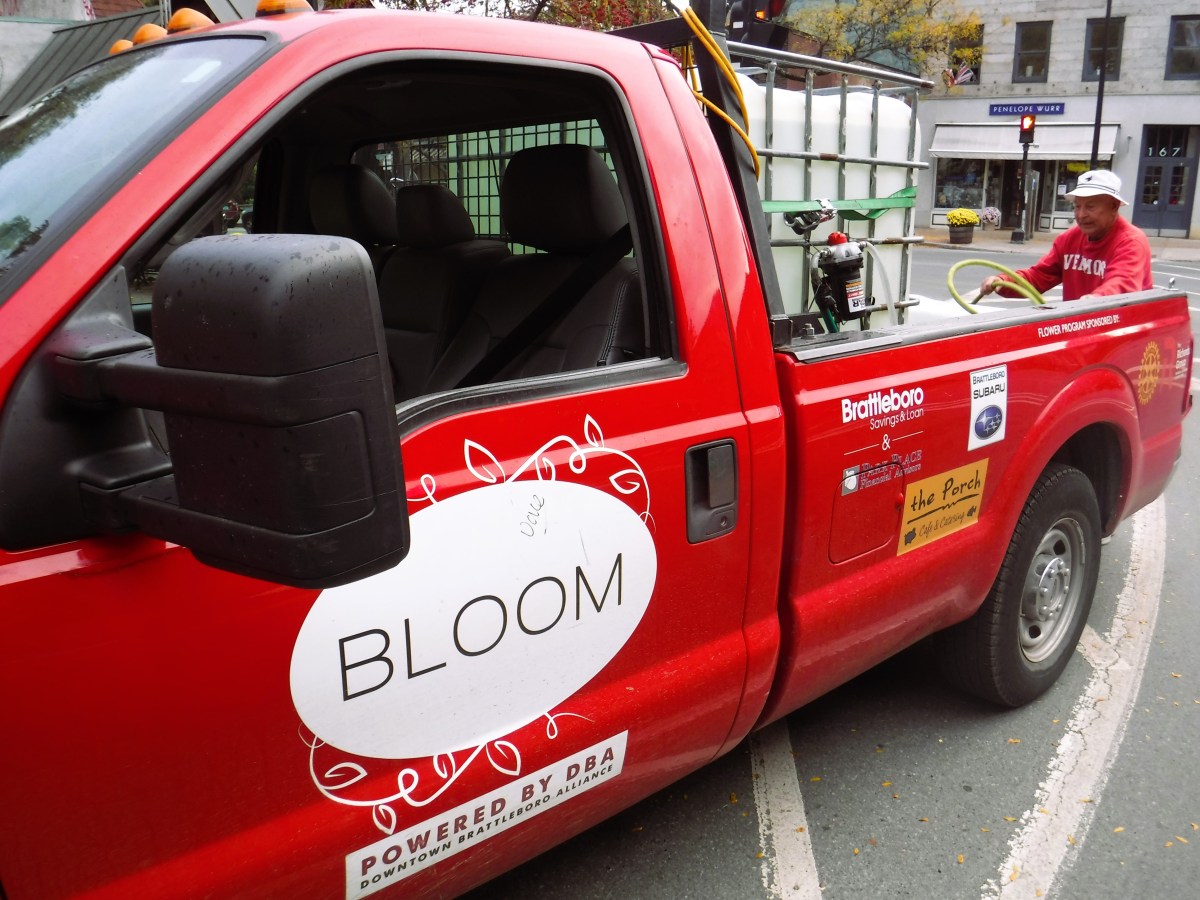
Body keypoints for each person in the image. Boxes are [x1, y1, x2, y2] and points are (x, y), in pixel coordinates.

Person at [978, 169, 1152, 301]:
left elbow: (1122, 284)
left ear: (1113, 206)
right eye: (1077, 206)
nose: (1081, 215)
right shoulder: (1069, 239)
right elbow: (1039, 276)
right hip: (1078, 326)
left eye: (1090, 207)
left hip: (1121, 332)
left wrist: (1094, 301)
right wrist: (1003, 281)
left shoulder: (1131, 241)